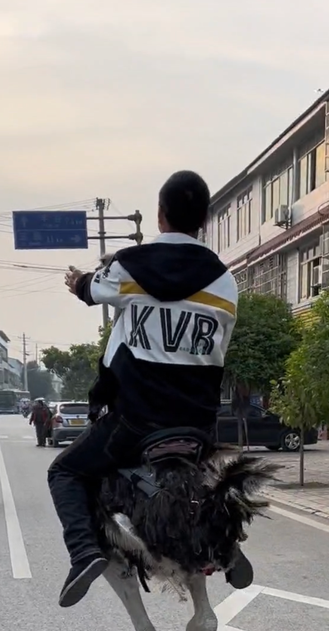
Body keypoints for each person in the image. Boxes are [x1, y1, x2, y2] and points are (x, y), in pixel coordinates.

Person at [48, 169, 253, 607]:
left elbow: (94, 290)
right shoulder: (225, 283)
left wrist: (79, 282)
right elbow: (218, 352)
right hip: (197, 427)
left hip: (135, 423)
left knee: (64, 472)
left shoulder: (130, 267)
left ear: (160, 216)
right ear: (204, 220)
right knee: (212, 479)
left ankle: (84, 552)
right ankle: (227, 545)